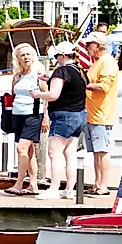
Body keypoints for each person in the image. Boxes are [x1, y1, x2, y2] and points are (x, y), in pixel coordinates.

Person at [45, 44, 89, 195]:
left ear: (63, 56)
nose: (56, 60)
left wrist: (38, 94)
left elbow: (53, 95)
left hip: (64, 115)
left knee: (54, 152)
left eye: (57, 57)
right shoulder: (80, 71)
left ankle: (53, 189)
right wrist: (49, 79)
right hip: (80, 114)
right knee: (70, 153)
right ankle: (69, 189)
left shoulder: (61, 71)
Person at [2, 43, 45, 196]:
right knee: (29, 150)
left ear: (33, 56)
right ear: (18, 59)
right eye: (22, 55)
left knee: (21, 148)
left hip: (33, 114)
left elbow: (46, 96)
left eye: (28, 54)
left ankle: (19, 182)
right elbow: (13, 94)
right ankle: (33, 184)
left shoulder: (38, 74)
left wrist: (45, 117)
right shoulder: (18, 76)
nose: (26, 57)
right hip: (17, 113)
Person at [82, 37, 121, 194]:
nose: (86, 48)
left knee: (102, 151)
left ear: (97, 45)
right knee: (96, 152)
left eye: (88, 45)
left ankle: (103, 185)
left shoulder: (108, 62)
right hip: (91, 114)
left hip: (102, 114)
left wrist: (83, 83)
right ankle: (97, 183)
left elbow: (104, 86)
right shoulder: (97, 62)